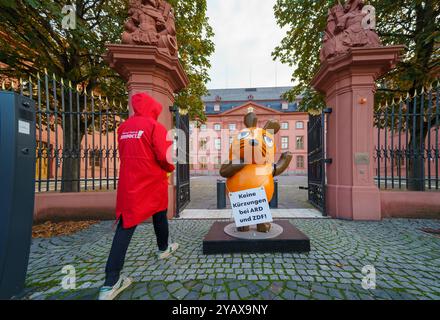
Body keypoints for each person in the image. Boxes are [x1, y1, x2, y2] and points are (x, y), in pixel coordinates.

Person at [98, 92, 178, 301]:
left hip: (130, 182)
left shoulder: (123, 128)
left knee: (127, 224)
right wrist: (170, 166)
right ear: (153, 109)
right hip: (152, 180)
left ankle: (110, 280)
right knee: (159, 212)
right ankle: (162, 249)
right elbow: (164, 156)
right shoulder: (155, 127)